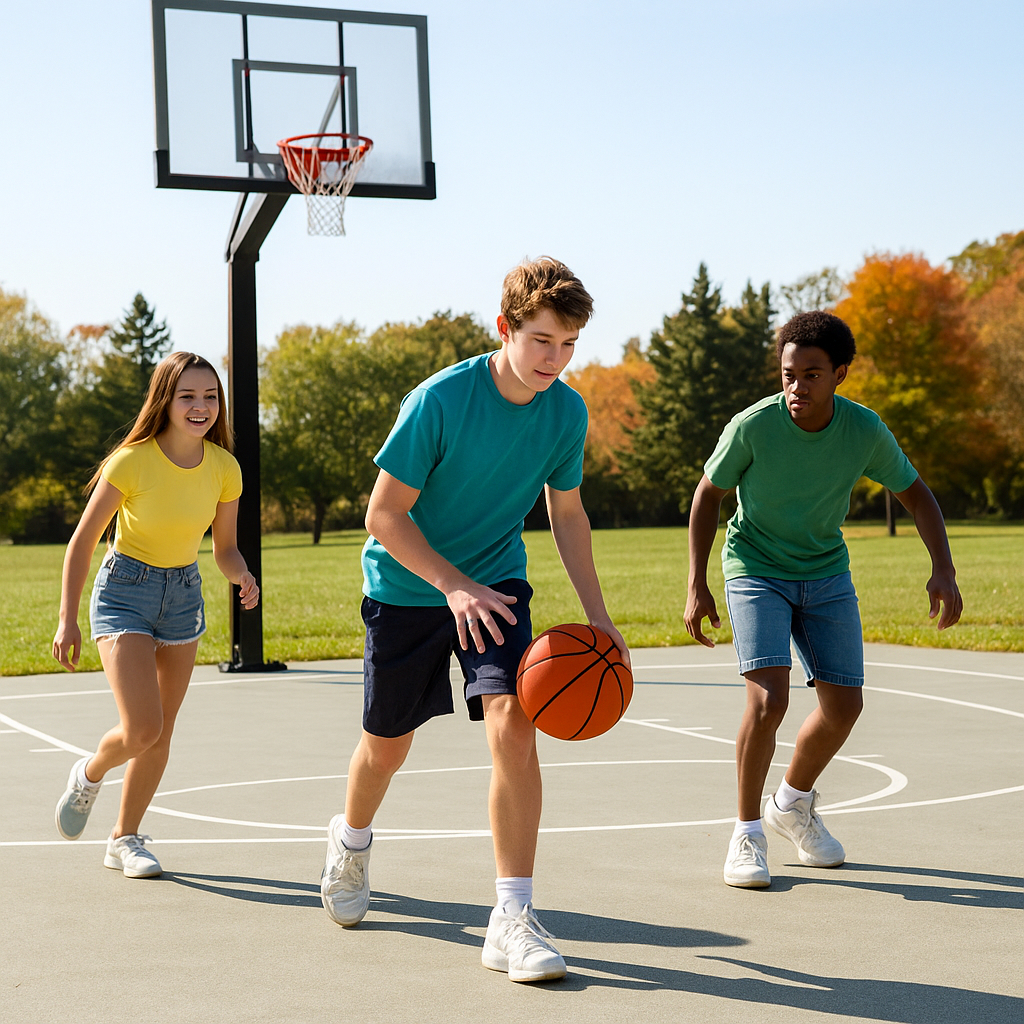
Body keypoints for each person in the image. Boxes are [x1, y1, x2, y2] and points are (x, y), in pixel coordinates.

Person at [320, 257, 630, 983]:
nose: (554, 359)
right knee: (386, 747)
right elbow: (383, 515)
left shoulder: (566, 413)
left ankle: (512, 917)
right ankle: (351, 841)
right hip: (407, 588)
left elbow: (567, 513)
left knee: (514, 722)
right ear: (505, 329)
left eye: (568, 345)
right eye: (542, 340)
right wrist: (451, 586)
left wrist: (600, 618)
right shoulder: (440, 401)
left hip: (496, 584)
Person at [684, 310, 962, 889]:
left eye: (811, 375)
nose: (797, 387)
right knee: (769, 700)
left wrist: (943, 568)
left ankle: (791, 804)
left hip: (826, 571)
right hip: (756, 568)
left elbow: (917, 494)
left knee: (844, 706)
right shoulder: (753, 426)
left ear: (839, 374)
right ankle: (746, 833)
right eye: (789, 375)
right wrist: (697, 583)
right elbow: (709, 494)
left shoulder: (864, 430)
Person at [51, 351, 259, 878]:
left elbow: (224, 549)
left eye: (210, 396)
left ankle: (124, 838)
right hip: (124, 591)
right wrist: (67, 619)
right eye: (187, 396)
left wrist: (242, 574)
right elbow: (82, 542)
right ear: (164, 400)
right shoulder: (131, 461)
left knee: (161, 732)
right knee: (142, 727)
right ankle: (90, 772)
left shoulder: (225, 468)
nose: (200, 406)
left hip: (183, 595)